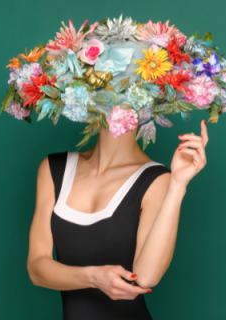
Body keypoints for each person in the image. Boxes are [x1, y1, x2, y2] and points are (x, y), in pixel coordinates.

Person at [26, 120, 208, 320]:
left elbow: (147, 277)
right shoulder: (54, 168)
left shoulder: (156, 178)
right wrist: (93, 278)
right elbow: (36, 268)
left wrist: (177, 185)